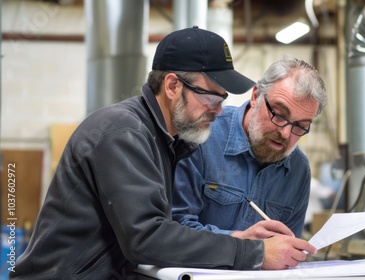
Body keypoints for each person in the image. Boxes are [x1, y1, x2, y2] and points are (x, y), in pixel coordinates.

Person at [10, 27, 316, 280]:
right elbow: (145, 238)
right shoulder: (123, 133)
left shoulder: (168, 140)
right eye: (211, 96)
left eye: (223, 98)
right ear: (172, 85)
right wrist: (254, 253)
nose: (220, 109)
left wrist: (238, 239)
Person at [172, 56, 327, 240]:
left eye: (300, 126)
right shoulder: (202, 138)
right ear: (255, 96)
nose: (285, 133)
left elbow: (288, 244)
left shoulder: (298, 170)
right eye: (278, 114)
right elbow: (175, 228)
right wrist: (244, 245)